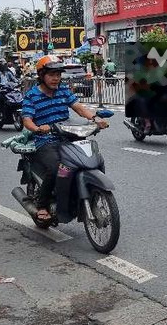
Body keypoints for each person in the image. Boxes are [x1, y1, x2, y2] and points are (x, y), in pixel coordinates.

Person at [22, 55, 107, 222]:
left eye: (58, 75)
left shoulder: (63, 91)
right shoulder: (32, 95)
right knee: (56, 168)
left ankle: (91, 193)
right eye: (52, 74)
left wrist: (96, 119)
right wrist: (38, 128)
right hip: (45, 140)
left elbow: (80, 109)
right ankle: (43, 205)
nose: (56, 78)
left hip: (67, 136)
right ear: (42, 75)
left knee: (95, 159)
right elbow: (27, 120)